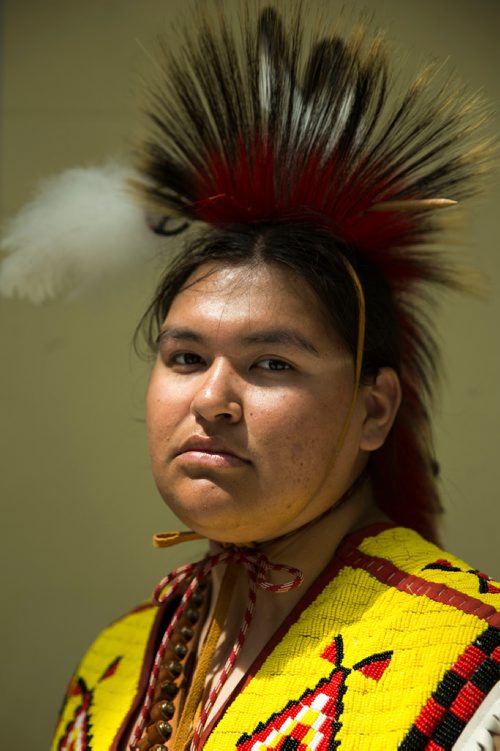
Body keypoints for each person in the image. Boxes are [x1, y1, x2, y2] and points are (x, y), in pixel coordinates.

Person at [2, 4, 498, 750]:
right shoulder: (113, 667)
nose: (211, 399)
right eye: (185, 357)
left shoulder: (476, 659)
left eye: (272, 363)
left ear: (375, 409)